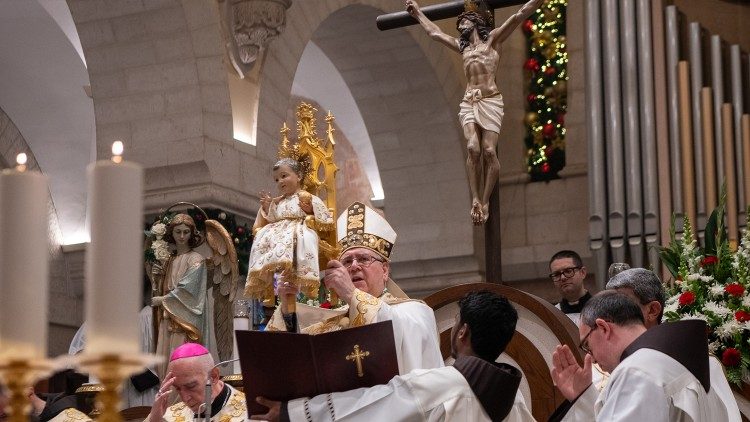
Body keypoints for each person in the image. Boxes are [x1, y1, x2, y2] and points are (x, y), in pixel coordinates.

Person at [251, 291, 534, 421]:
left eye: (457, 321)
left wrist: (291, 411)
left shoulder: (439, 385)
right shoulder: (514, 397)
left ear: (462, 332)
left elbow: (365, 409)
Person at [406, 0, 544, 224]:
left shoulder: (493, 41)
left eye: (465, 20)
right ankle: (475, 199)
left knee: (489, 150)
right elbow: (435, 34)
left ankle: (486, 199)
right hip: (469, 101)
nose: (460, 24)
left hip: (490, 100)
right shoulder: (463, 48)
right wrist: (418, 14)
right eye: (460, 22)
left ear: (476, 22)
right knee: (473, 148)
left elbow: (519, 14)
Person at [267, 201, 444, 374]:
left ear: (384, 270)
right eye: (346, 261)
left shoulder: (415, 312)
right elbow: (291, 357)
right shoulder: (330, 323)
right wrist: (287, 307)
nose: (354, 266)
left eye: (364, 259)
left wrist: (352, 294)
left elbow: (401, 337)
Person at [550, 290, 729, 421]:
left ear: (603, 328)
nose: (593, 358)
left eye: (587, 345)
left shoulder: (636, 371)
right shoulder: (676, 358)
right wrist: (584, 397)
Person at [606, 268, 741, 421]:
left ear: (652, 310)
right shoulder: (609, 367)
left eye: (620, 308)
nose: (609, 318)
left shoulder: (704, 363)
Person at [245, 157, 335, 302]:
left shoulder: (306, 197)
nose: (280, 181)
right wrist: (268, 207)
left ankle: (306, 281)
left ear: (298, 176)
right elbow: (273, 218)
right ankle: (266, 275)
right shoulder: (278, 201)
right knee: (262, 235)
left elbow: (324, 218)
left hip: (299, 228)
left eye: (284, 176)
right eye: (276, 180)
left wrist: (311, 210)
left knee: (305, 237)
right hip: (279, 230)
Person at [150, 213, 212, 378]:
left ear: (192, 234)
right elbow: (162, 287)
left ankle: (181, 401)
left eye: (186, 232)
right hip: (167, 317)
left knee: (181, 365)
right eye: (178, 232)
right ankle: (167, 401)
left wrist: (163, 300)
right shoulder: (170, 260)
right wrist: (158, 276)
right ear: (172, 233)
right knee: (165, 364)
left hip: (184, 319)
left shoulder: (196, 259)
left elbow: (188, 290)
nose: (182, 236)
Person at [145, 343, 246, 422]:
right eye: (178, 388)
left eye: (191, 386)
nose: (185, 399)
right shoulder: (169, 416)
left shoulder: (251, 414)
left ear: (214, 376)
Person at [548, 250, 591, 326]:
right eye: (557, 274)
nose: (563, 277)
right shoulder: (552, 317)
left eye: (568, 271)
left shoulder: (604, 310)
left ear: (583, 273)